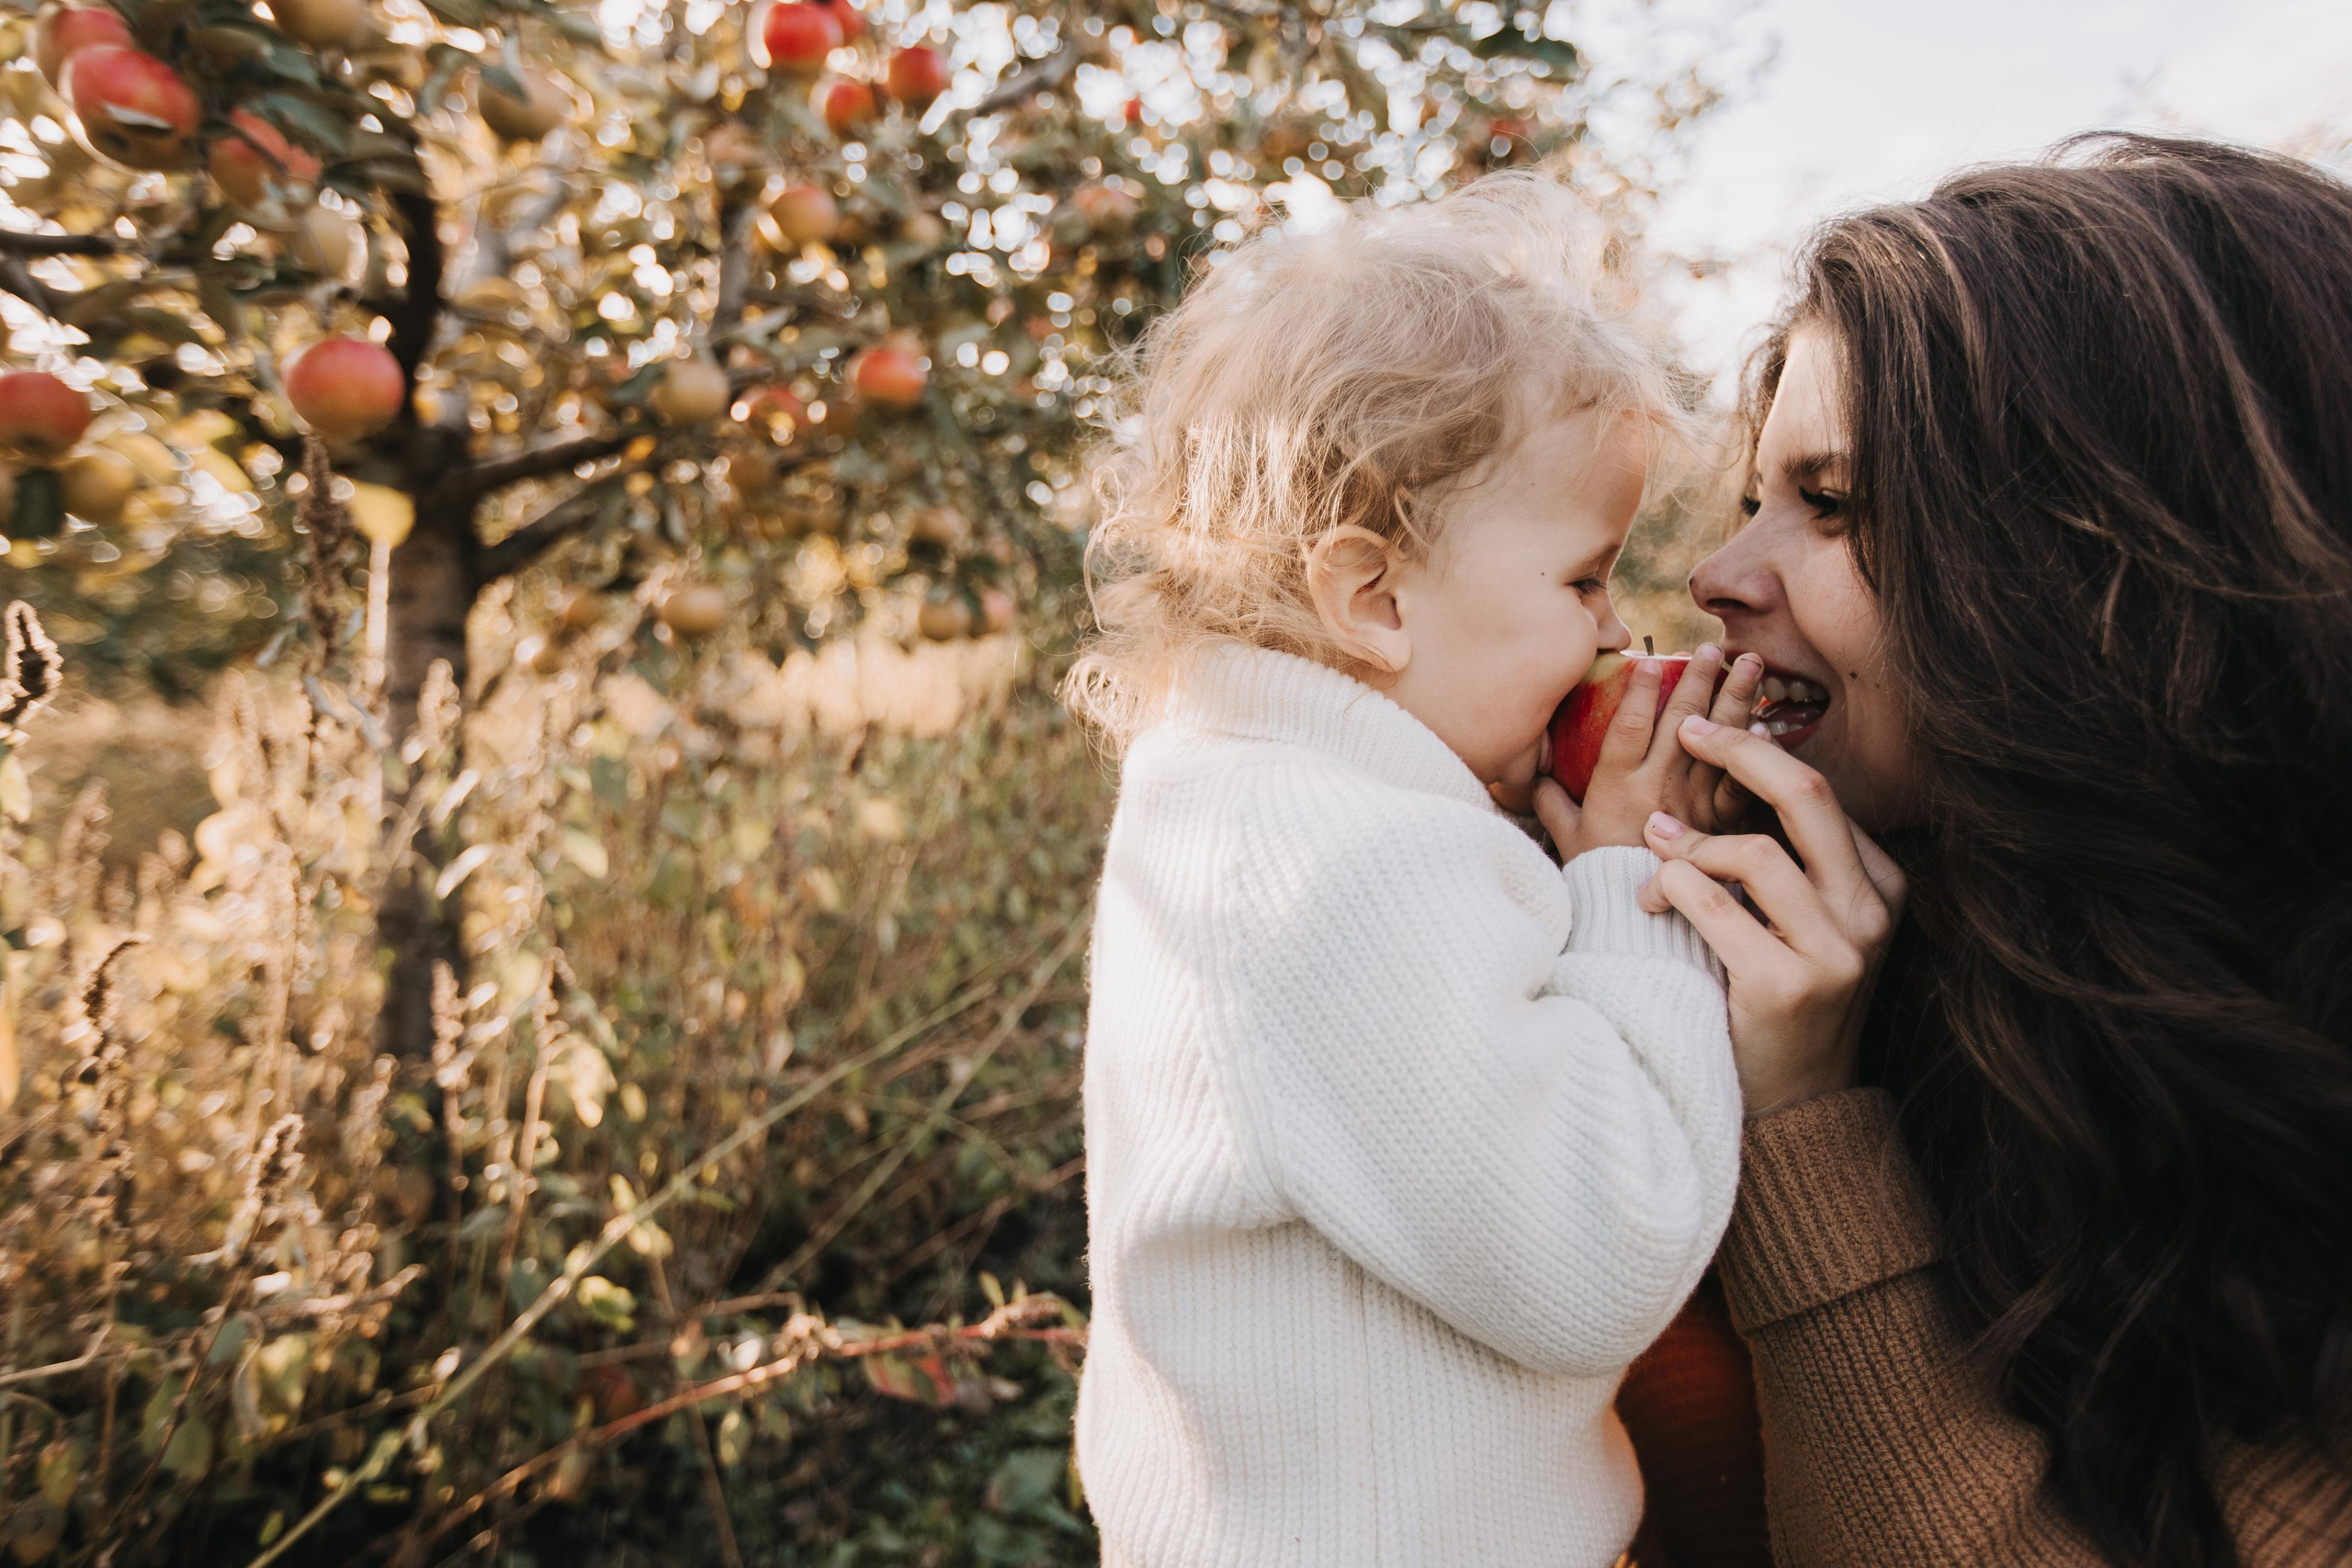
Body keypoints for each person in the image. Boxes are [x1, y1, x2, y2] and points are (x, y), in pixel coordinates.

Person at [1637, 134, 2352, 1566]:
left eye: (1834, 503)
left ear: (2098, 577)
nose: (1717, 577)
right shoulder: (1921, 956)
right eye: (1754, 499)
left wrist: (1806, 1122)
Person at [1063, 173, 1761, 1567]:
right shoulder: (1340, 871)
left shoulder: (1255, 805)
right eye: (1583, 580)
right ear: (1373, 598)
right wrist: (1625, 884)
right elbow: (1599, 1253)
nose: (1616, 636)